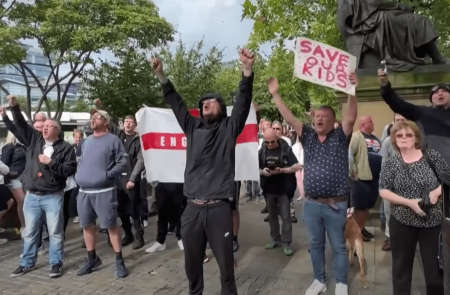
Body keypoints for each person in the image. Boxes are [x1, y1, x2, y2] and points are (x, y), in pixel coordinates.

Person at [150, 48, 254, 295]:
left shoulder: (230, 127)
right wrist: (161, 76)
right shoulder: (192, 126)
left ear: (221, 107)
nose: (205, 103)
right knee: (192, 268)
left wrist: (247, 71)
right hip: (192, 210)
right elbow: (175, 102)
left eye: (211, 101)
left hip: (219, 209)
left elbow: (243, 101)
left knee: (227, 270)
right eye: (202, 102)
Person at [268, 73, 358, 295]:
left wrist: (351, 91)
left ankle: (341, 283)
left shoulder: (339, 136)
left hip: (335, 205)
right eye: (316, 116)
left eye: (323, 116)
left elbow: (350, 118)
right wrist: (275, 94)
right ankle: (319, 280)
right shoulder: (306, 135)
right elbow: (289, 118)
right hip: (311, 205)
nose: (318, 119)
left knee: (337, 246)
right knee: (315, 245)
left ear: (332, 119)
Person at [3, 95, 77, 278]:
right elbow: (20, 125)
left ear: (57, 130)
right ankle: (27, 263)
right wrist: (15, 108)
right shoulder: (35, 141)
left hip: (53, 196)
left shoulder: (66, 148)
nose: (44, 128)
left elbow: (69, 170)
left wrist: (51, 162)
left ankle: (56, 263)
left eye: (48, 126)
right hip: (32, 196)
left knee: (55, 232)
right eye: (43, 126)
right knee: (29, 232)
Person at [379, 120, 446, 295]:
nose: (404, 138)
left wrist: (437, 192)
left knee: (434, 271)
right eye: (399, 135)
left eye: (409, 135)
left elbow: (448, 181)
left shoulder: (432, 156)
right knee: (401, 269)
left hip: (431, 222)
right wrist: (408, 202)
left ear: (416, 138)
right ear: (393, 139)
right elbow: (383, 190)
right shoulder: (391, 163)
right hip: (402, 222)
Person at [75, 109, 129, 278]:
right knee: (87, 225)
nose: (92, 119)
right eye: (91, 117)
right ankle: (92, 258)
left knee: (111, 225)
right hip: (84, 191)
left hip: (104, 190)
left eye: (96, 117)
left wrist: (107, 175)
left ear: (106, 122)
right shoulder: (86, 141)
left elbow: (123, 161)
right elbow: (81, 161)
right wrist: (79, 175)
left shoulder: (113, 140)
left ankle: (119, 260)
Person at [378, 69, 450, 164]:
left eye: (444, 91)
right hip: (432, 168)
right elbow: (397, 103)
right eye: (436, 93)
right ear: (431, 100)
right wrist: (385, 85)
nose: (440, 93)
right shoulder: (422, 112)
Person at [259, 128, 299, 256]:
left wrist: (282, 170)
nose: (270, 145)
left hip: (284, 189)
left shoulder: (286, 149)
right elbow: (256, 166)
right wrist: (262, 172)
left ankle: (286, 242)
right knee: (272, 216)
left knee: (286, 217)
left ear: (277, 138)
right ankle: (275, 239)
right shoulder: (263, 150)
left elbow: (296, 166)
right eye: (267, 142)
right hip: (269, 189)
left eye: (272, 142)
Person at [1, 131, 26, 229]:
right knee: (22, 200)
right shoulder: (8, 147)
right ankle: (24, 226)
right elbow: (4, 164)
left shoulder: (23, 147)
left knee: (27, 201)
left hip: (24, 177)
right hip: (13, 178)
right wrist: (10, 174)